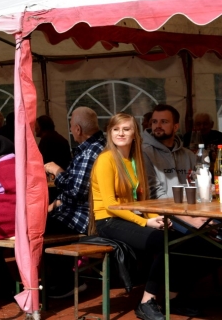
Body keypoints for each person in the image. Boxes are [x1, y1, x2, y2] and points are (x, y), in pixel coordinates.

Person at [89, 113, 192, 320]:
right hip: (108, 221)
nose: (120, 133)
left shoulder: (135, 161)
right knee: (163, 242)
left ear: (135, 134)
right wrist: (145, 222)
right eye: (116, 129)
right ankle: (146, 302)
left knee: (181, 239)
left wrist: (158, 218)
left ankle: (173, 297)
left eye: (126, 129)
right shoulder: (106, 160)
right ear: (109, 133)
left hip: (128, 217)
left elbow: (141, 201)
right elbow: (110, 205)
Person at [45, 107, 105, 235]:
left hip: (81, 218)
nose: (70, 130)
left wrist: (57, 171)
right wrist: (56, 203)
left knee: (34, 229)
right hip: (75, 213)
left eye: (71, 126)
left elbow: (75, 191)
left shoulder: (91, 151)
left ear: (78, 129)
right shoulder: (94, 146)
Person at [141, 104, 196, 201]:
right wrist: (177, 209)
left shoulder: (189, 155)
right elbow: (153, 191)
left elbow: (198, 185)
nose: (158, 126)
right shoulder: (144, 152)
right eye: (154, 121)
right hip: (160, 209)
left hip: (190, 207)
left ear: (175, 127)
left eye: (164, 122)